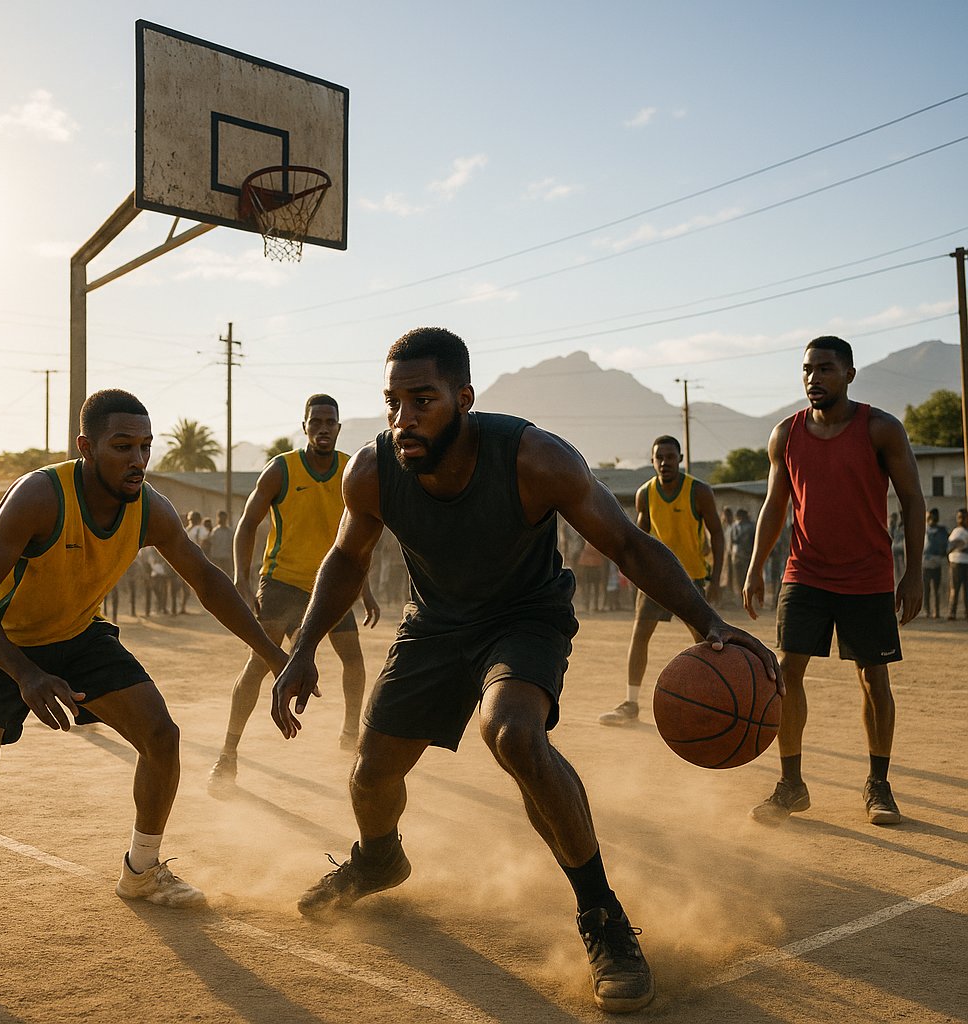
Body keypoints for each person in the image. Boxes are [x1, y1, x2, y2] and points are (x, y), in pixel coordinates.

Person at [271, 328, 779, 1014]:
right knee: (370, 775)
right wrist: (302, 648)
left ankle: (603, 917)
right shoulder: (373, 470)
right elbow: (346, 557)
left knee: (512, 734)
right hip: (435, 627)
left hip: (525, 618)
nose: (404, 417)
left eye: (423, 399)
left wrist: (704, 621)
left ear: (464, 398)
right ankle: (378, 858)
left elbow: (627, 543)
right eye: (393, 401)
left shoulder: (534, 458)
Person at [0, 389, 287, 907]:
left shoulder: (151, 509)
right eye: (123, 446)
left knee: (161, 736)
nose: (138, 460)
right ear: (87, 446)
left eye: (146, 447)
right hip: (3, 644)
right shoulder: (40, 496)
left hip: (80, 638)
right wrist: (25, 673)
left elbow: (207, 581)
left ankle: (141, 872)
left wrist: (275, 657)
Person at [743, 336, 925, 827]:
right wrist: (757, 564)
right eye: (807, 370)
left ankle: (879, 785)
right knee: (787, 670)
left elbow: (912, 499)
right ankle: (791, 784)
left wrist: (911, 574)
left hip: (867, 575)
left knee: (873, 677)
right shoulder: (786, 434)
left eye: (825, 368)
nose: (813, 378)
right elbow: (774, 505)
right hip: (805, 572)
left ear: (849, 374)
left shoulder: (881, 429)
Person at [208, 395, 379, 795]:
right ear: (304, 426)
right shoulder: (281, 470)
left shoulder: (351, 470)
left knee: (353, 660)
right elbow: (247, 524)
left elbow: (363, 536)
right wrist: (241, 579)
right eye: (316, 421)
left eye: (330, 422)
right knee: (258, 665)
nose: (323, 428)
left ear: (339, 428)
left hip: (331, 587)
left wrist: (364, 589)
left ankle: (351, 733)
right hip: (282, 582)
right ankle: (227, 756)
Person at [598, 436, 723, 726]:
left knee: (707, 641)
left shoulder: (699, 491)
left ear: (680, 458)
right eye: (659, 457)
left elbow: (717, 533)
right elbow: (637, 539)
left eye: (670, 457)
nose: (665, 462)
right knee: (640, 636)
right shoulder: (646, 493)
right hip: (656, 579)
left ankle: (714, 702)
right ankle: (630, 704)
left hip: (692, 578)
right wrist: (634, 576)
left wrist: (716, 579)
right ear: (652, 461)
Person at [922, 508, 948, 619]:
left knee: (936, 588)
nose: (930, 519)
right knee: (926, 589)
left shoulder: (942, 531)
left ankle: (936, 610)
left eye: (932, 517)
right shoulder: (923, 530)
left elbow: (945, 545)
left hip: (936, 561)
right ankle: (927, 610)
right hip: (925, 562)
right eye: (929, 517)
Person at [729, 508, 755, 601]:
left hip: (742, 555)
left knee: (743, 577)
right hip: (739, 555)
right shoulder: (749, 526)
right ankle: (743, 597)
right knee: (740, 577)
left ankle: (745, 597)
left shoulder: (750, 526)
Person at [947, 508, 968, 620]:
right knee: (955, 588)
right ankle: (952, 612)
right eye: (959, 517)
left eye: (963, 518)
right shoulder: (958, 531)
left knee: (966, 590)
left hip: (965, 562)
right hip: (957, 562)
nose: (961, 520)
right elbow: (953, 545)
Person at [207, 509, 234, 579]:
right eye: (220, 517)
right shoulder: (215, 531)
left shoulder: (230, 531)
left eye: (223, 518)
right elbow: (211, 544)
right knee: (218, 576)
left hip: (227, 558)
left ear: (226, 519)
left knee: (228, 576)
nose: (222, 519)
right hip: (217, 558)